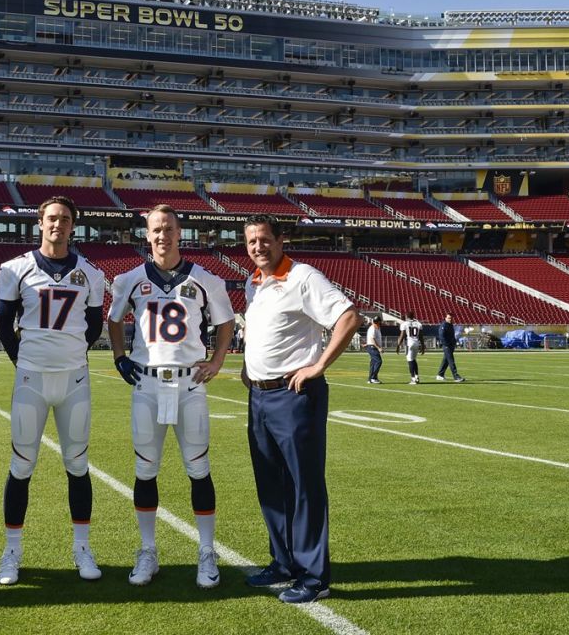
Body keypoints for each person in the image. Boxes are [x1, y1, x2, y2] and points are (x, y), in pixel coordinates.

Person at [108, 204, 235, 589]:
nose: (162, 235)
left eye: (168, 228)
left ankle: (206, 551)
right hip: (147, 384)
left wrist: (216, 361)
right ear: (147, 236)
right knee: (146, 470)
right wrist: (118, 357)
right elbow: (113, 320)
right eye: (156, 229)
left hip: (189, 385)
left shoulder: (205, 280)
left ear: (180, 233)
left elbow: (226, 321)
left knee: (198, 469)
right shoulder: (129, 279)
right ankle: (148, 550)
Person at [239, 214, 358, 604]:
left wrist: (319, 364)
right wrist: (249, 368)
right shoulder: (253, 284)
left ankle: (313, 575)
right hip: (259, 396)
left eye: (264, 239)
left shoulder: (303, 276)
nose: (258, 246)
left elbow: (348, 316)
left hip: (294, 395)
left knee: (303, 486)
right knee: (271, 486)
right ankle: (283, 561)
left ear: (280, 240)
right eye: (251, 241)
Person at [0, 195, 107, 585]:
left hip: (74, 379)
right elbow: (3, 325)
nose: (57, 224)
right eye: (51, 218)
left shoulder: (91, 273)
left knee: (77, 465)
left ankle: (82, 548)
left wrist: (69, 352)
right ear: (40, 223)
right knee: (21, 466)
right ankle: (11, 551)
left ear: (73, 225)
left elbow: (92, 326)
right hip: (32, 379)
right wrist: (24, 361)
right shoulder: (16, 269)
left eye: (65, 219)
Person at [435, 313, 466, 382]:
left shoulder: (450, 325)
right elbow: (442, 336)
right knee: (451, 361)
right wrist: (446, 344)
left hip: (451, 345)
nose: (450, 319)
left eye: (451, 318)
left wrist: (454, 342)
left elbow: (452, 336)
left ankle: (440, 375)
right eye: (449, 318)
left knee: (446, 361)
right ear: (445, 318)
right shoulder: (444, 325)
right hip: (447, 346)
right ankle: (456, 376)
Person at [395, 311, 424, 384]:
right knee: (413, 359)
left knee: (410, 360)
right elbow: (421, 336)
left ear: (407, 316)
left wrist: (398, 345)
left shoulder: (404, 324)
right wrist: (423, 346)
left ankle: (413, 378)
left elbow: (402, 336)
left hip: (409, 344)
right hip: (417, 343)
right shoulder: (418, 324)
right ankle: (417, 376)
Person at [364, 316, 383, 384]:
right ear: (378, 322)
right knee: (379, 361)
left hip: (372, 346)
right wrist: (378, 348)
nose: (381, 323)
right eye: (380, 321)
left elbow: (372, 338)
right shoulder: (373, 328)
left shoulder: (376, 328)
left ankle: (370, 379)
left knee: (373, 363)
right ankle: (373, 377)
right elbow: (373, 339)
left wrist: (367, 344)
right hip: (373, 347)